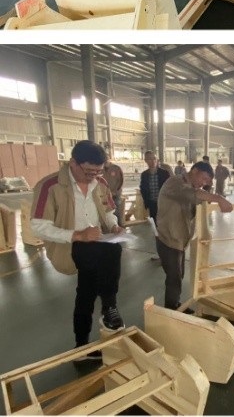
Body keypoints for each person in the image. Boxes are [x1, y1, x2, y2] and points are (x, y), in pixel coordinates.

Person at [30, 141, 125, 353]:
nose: (94, 176)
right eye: (89, 171)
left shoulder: (100, 182)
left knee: (86, 293)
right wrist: (77, 235)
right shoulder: (50, 186)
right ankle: (109, 306)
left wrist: (113, 226)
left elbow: (108, 211)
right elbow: (38, 227)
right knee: (111, 252)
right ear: (73, 163)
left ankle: (81, 346)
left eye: (98, 171)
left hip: (96, 245)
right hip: (71, 246)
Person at [155, 161, 234, 310]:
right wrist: (219, 198)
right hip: (168, 239)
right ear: (195, 171)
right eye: (203, 178)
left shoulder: (190, 186)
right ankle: (171, 309)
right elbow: (191, 195)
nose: (203, 183)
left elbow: (196, 199)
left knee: (178, 276)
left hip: (179, 240)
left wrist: (209, 194)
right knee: (174, 278)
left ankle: (175, 305)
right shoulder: (175, 182)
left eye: (207, 182)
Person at [139, 150, 172, 223]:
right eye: (150, 159)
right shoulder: (144, 175)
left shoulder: (164, 173)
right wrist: (146, 202)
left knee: (165, 222)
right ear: (145, 160)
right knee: (154, 223)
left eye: (154, 158)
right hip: (152, 204)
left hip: (163, 203)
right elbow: (143, 189)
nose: (153, 161)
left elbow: (170, 187)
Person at [102, 159, 125, 227]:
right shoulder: (101, 169)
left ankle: (119, 226)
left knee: (116, 212)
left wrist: (115, 191)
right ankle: (110, 228)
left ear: (109, 159)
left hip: (115, 195)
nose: (105, 161)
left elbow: (121, 181)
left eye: (106, 159)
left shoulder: (116, 168)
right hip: (104, 195)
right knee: (106, 213)